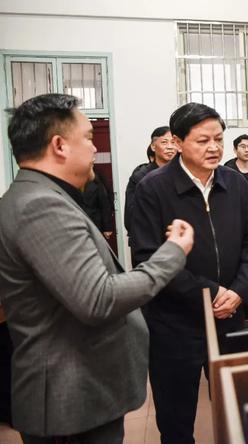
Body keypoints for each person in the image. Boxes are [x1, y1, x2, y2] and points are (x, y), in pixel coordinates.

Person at [0, 93, 194, 443]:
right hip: (69, 401)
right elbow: (98, 298)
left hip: (81, 392)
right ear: (59, 145)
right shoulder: (40, 205)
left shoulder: (42, 195)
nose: (94, 148)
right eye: (88, 137)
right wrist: (173, 253)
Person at [131, 103, 248, 443]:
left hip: (230, 317)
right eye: (203, 140)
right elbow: (149, 258)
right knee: (176, 423)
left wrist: (239, 291)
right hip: (175, 324)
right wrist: (211, 293)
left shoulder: (235, 184)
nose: (214, 148)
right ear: (177, 142)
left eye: (218, 139)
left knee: (238, 410)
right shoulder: (152, 189)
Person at [124, 126, 176, 243]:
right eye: (164, 142)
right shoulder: (141, 177)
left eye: (173, 142)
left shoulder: (182, 174)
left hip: (177, 240)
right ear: (153, 146)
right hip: (149, 241)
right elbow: (131, 216)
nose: (170, 147)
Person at [82, 169, 114, 240]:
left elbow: (105, 205)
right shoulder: (72, 182)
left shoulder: (97, 182)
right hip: (79, 224)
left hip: (95, 224)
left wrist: (107, 227)